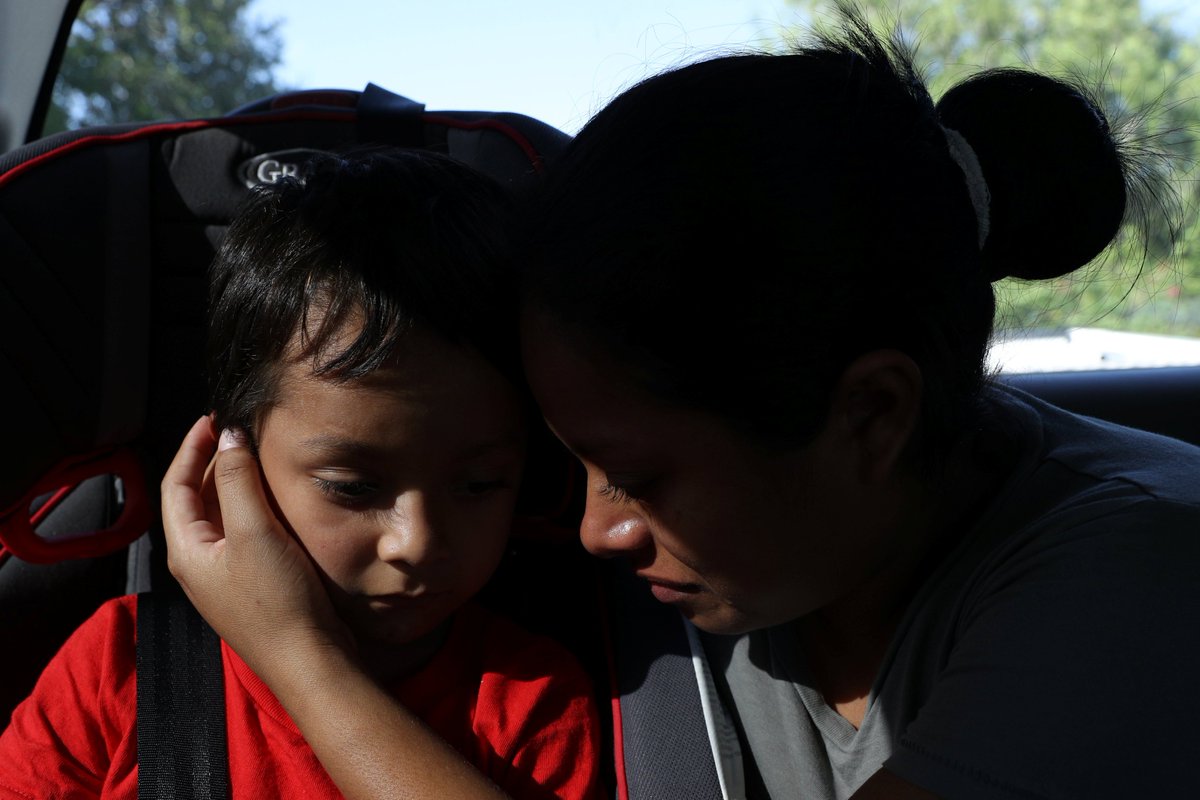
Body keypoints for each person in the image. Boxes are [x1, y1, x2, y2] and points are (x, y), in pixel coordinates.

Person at [158, 9, 1200, 800]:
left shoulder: (1134, 585)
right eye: (567, 465)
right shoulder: (763, 554)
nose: (594, 530)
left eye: (640, 477)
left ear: (873, 416)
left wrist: (292, 650)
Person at [0, 150, 601, 800]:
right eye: (353, 487)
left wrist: (299, 655)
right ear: (229, 460)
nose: (416, 543)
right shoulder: (121, 667)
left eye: (481, 483)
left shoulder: (528, 700)